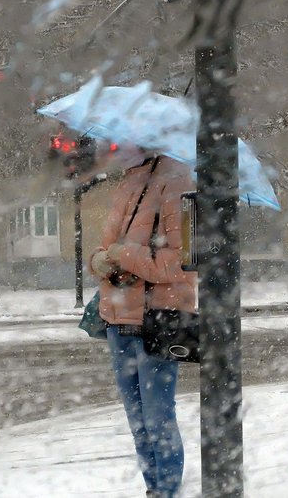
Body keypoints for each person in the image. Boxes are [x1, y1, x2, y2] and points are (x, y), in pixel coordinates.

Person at [88, 150, 196, 498]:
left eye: (121, 140)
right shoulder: (127, 184)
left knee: (157, 419)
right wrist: (99, 261)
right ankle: (153, 490)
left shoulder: (176, 181)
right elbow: (107, 248)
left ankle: (167, 492)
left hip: (157, 322)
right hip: (117, 318)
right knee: (137, 422)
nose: (113, 146)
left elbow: (180, 263)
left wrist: (122, 256)